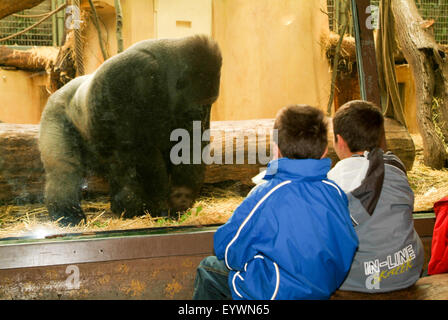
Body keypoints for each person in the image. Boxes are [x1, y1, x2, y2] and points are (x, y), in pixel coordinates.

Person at [192, 104, 358, 300]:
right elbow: (348, 243)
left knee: (208, 267)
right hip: (321, 289)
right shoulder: (335, 191)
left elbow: (226, 248)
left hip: (275, 293)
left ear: (275, 149)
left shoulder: (266, 193)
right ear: (324, 151)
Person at [327, 100, 424, 293]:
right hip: (407, 270)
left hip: (358, 280)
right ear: (380, 136)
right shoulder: (396, 167)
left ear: (340, 141)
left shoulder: (332, 181)